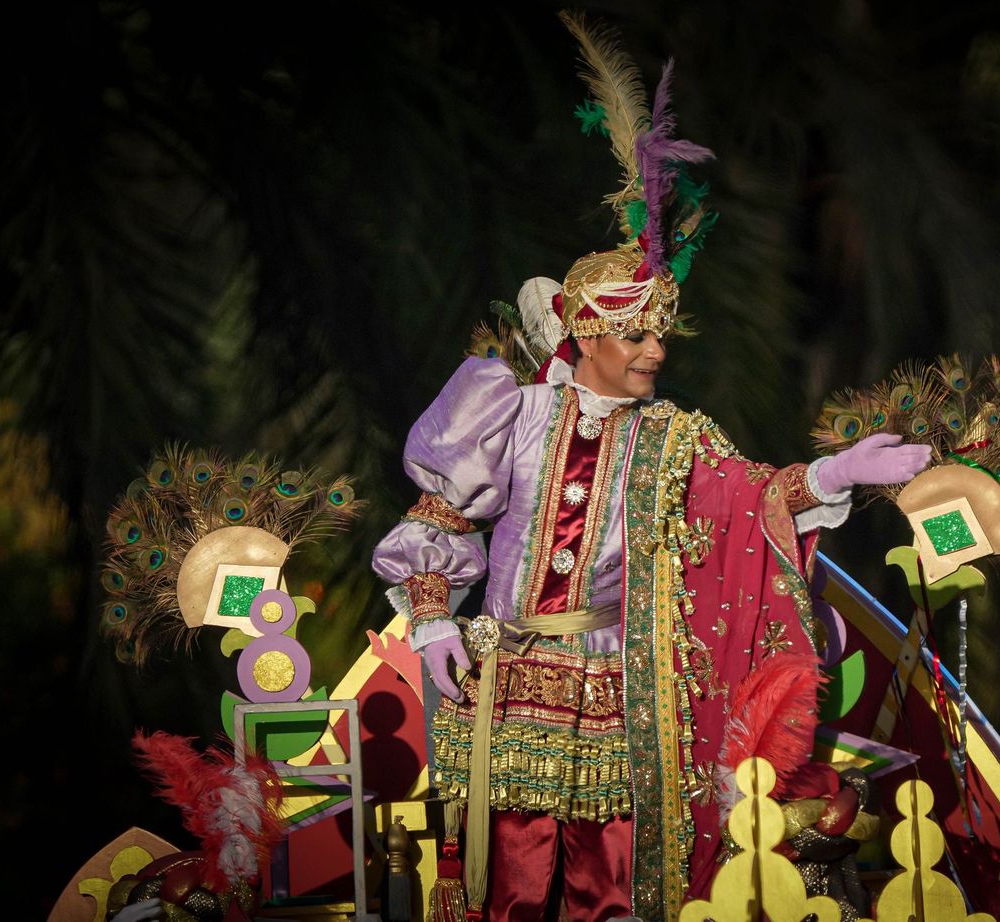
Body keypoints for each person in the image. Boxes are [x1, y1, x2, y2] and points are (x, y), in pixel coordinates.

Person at [371, 17, 930, 920]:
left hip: (623, 689)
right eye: (637, 335)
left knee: (613, 887)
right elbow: (441, 519)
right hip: (507, 684)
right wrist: (433, 621)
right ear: (586, 333)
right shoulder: (511, 412)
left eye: (661, 334)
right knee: (504, 883)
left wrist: (835, 474)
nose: (656, 352)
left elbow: (755, 500)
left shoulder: (677, 439)